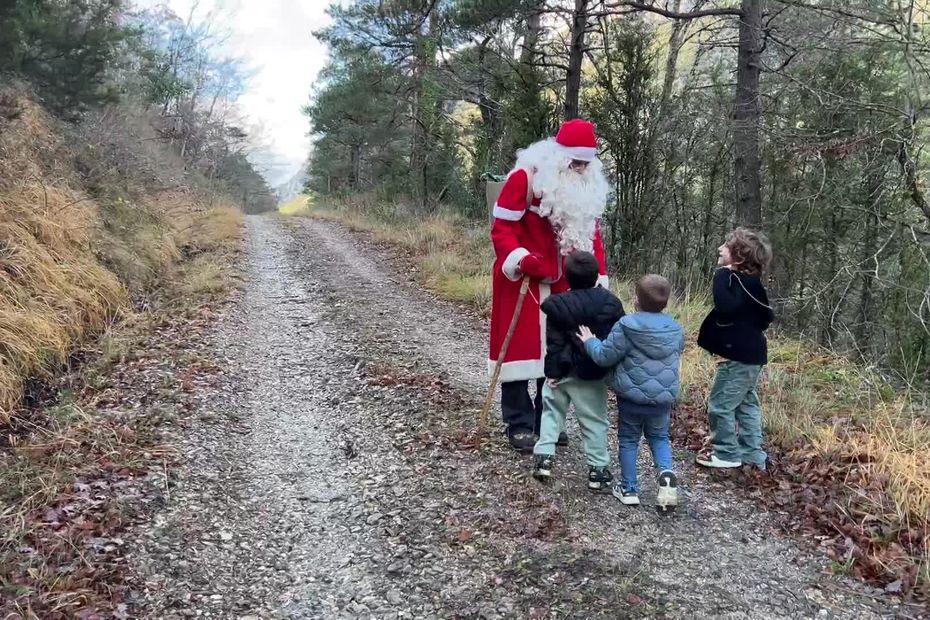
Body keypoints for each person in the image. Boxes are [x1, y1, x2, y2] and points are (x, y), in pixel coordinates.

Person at [489, 118, 610, 453]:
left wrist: (598, 276)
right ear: (560, 156)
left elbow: (593, 237)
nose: (581, 167)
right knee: (520, 352)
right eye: (575, 162)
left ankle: (548, 421)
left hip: (564, 284)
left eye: (586, 163)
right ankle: (519, 422)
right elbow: (502, 229)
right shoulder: (525, 179)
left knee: (558, 352)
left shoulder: (588, 186)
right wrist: (522, 259)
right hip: (523, 280)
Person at [579, 275, 684, 511]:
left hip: (631, 398)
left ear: (636, 299)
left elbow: (605, 356)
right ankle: (666, 474)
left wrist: (590, 341)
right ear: (666, 302)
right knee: (659, 438)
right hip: (662, 399)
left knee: (628, 439)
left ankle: (628, 489)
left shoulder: (626, 325)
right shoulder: (675, 328)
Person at [531, 251, 625, 491]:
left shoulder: (558, 305)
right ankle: (598, 470)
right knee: (594, 420)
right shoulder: (611, 303)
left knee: (551, 413)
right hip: (592, 372)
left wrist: (551, 373)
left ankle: (543, 458)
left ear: (567, 278)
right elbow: (617, 339)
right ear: (596, 277)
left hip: (562, 372)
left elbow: (554, 343)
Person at [695, 228, 774, 470]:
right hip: (751, 357)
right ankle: (752, 454)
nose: (720, 249)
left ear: (738, 257)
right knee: (746, 404)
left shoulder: (736, 281)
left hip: (738, 359)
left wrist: (721, 275)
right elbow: (763, 318)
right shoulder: (751, 284)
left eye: (726, 246)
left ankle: (727, 453)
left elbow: (725, 308)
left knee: (720, 405)